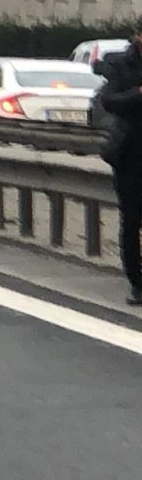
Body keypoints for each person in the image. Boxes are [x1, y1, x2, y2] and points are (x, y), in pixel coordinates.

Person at [97, 23, 142, 305]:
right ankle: (137, 283)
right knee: (132, 219)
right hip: (130, 154)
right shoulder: (120, 64)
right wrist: (138, 94)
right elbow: (109, 100)